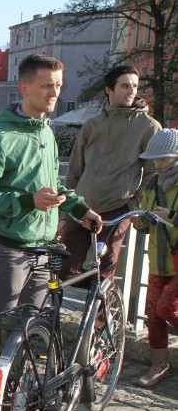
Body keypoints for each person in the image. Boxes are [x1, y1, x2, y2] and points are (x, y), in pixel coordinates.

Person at [0, 54, 103, 411]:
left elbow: (50, 186)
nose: (54, 91)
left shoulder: (45, 130)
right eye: (46, 84)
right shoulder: (1, 137)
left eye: (58, 84)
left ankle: (8, 399)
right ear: (24, 87)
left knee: (27, 330)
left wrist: (78, 207)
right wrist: (27, 202)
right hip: (7, 250)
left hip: (43, 250)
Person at [57, 65, 162, 282]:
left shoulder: (148, 126)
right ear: (109, 89)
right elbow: (75, 170)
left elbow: (153, 173)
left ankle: (101, 316)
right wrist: (67, 211)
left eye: (134, 86)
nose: (131, 91)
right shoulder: (92, 125)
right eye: (124, 86)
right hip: (82, 206)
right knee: (65, 265)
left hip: (118, 208)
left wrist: (134, 207)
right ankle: (54, 315)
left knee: (103, 270)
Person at [130, 129, 178, 388]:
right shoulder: (153, 183)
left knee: (167, 308)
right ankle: (159, 365)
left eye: (164, 159)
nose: (158, 164)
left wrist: (172, 216)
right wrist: (139, 222)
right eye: (155, 159)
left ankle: (161, 365)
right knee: (153, 314)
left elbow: (169, 218)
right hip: (159, 258)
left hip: (176, 257)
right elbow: (148, 220)